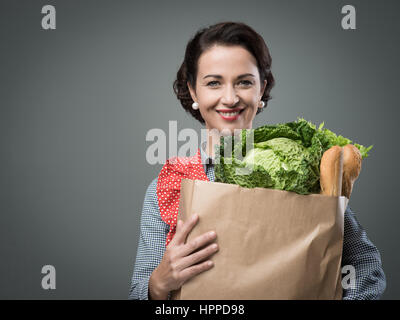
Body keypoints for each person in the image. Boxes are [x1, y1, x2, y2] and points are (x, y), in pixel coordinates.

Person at [128, 21, 386, 300]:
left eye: (244, 82)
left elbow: (367, 269)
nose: (230, 98)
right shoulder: (168, 187)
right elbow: (138, 293)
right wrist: (158, 284)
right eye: (214, 83)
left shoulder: (302, 172)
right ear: (193, 91)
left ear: (261, 89)